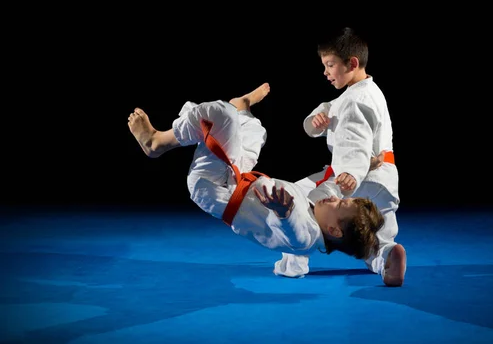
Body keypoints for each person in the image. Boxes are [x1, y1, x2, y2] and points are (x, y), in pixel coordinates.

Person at [127, 82, 385, 263]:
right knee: (255, 131)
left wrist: (284, 213)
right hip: (239, 173)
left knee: (219, 113)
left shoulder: (305, 234)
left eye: (340, 205)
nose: (335, 199)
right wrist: (362, 166)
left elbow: (292, 230)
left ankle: (155, 142)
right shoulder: (317, 208)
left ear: (334, 231)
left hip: (212, 187)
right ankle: (243, 108)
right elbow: (329, 185)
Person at [274, 27, 407, 287]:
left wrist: (351, 174)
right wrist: (316, 122)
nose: (325, 72)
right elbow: (322, 118)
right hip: (385, 180)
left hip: (355, 178)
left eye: (330, 64)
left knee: (298, 201)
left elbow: (353, 141)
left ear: (352, 63)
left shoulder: (353, 102)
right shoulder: (368, 92)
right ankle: (387, 257)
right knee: (376, 236)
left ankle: (294, 263)